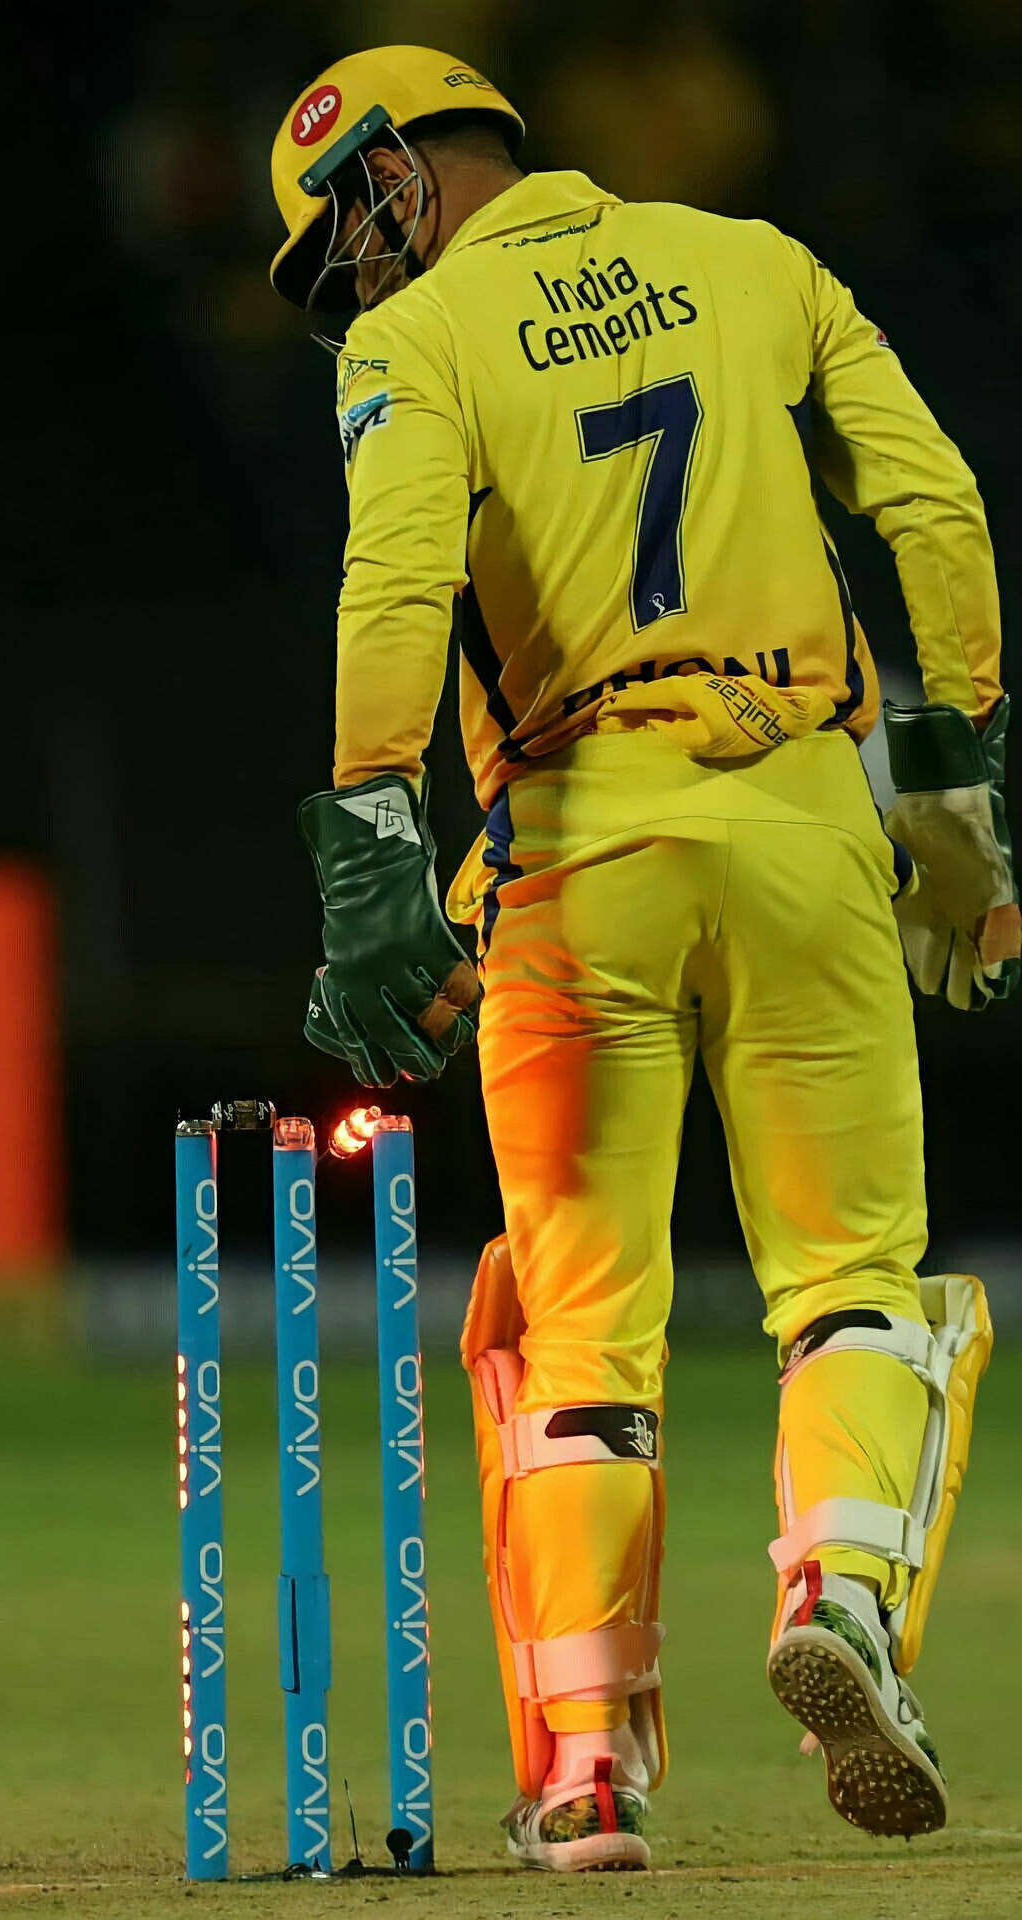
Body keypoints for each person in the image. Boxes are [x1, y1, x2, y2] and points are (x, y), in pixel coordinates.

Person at [269, 46, 1016, 1872]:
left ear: (404, 181)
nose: (349, 292)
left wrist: (371, 829)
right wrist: (959, 791)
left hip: (572, 859)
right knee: (855, 1272)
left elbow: (396, 583)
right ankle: (839, 1588)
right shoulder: (759, 260)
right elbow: (936, 510)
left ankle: (588, 1770)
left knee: (577, 1326)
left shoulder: (418, 342)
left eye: (345, 248)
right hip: (804, 827)